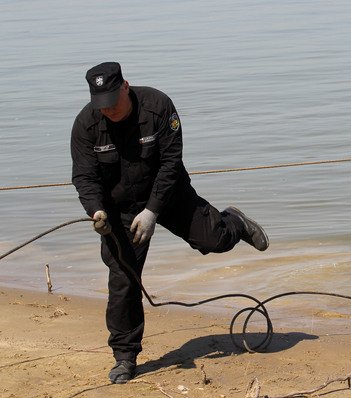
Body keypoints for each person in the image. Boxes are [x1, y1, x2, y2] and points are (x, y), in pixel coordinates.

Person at [71, 62, 269, 384]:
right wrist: (96, 212)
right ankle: (125, 356)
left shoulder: (159, 106)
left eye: (113, 102)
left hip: (168, 192)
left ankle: (235, 222)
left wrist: (152, 212)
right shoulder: (86, 124)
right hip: (119, 210)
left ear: (125, 87)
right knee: (123, 279)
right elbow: (84, 176)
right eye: (101, 106)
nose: (109, 111)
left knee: (213, 241)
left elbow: (170, 162)